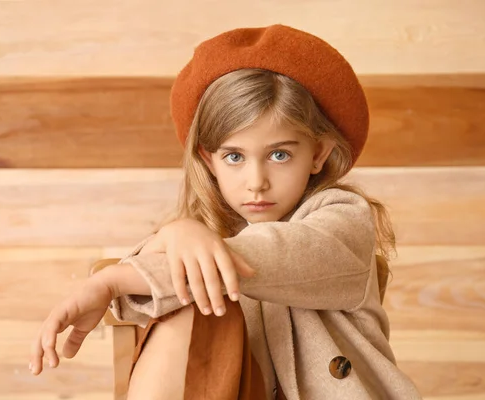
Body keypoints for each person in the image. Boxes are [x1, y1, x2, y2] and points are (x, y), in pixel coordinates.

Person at [29, 24, 422, 399]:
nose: (256, 181)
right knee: (190, 298)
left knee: (198, 275)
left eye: (280, 154)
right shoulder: (200, 233)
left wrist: (113, 279)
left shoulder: (342, 219)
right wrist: (176, 234)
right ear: (209, 159)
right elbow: (139, 301)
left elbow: (273, 254)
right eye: (234, 156)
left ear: (318, 154)